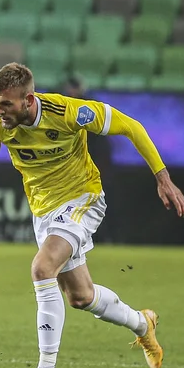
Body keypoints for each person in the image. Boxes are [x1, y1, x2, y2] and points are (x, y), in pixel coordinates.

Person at [0, 63, 184, 368]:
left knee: (42, 268)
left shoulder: (69, 112)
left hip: (82, 198)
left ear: (28, 99)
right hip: (44, 211)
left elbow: (131, 126)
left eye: (5, 103)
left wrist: (162, 177)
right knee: (80, 297)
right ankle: (143, 324)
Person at [60, 76, 115, 243]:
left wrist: (102, 168)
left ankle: (101, 237)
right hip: (68, 169)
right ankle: (68, 238)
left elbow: (103, 144)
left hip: (91, 168)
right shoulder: (61, 109)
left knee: (93, 204)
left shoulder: (89, 110)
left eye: (75, 89)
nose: (72, 92)